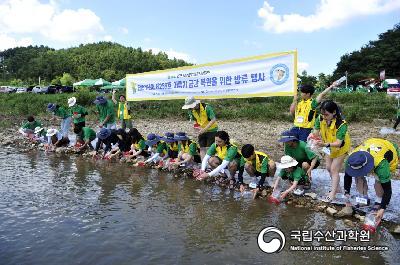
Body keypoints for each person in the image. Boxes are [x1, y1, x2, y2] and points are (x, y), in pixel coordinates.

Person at [339, 138, 399, 223]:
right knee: (358, 177)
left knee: (378, 183)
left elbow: (387, 189)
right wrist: (346, 194)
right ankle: (364, 199)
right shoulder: (351, 160)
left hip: (387, 150)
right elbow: (347, 176)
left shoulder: (381, 165)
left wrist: (382, 208)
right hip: (371, 144)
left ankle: (378, 201)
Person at [312, 100, 351, 202]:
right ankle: (337, 188)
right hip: (328, 146)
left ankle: (333, 193)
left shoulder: (341, 124)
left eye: (326, 115)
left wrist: (324, 144)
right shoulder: (320, 118)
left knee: (334, 169)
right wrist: (312, 137)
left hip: (340, 147)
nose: (324, 117)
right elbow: (315, 133)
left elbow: (338, 143)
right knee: (328, 168)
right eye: (322, 114)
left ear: (334, 112)